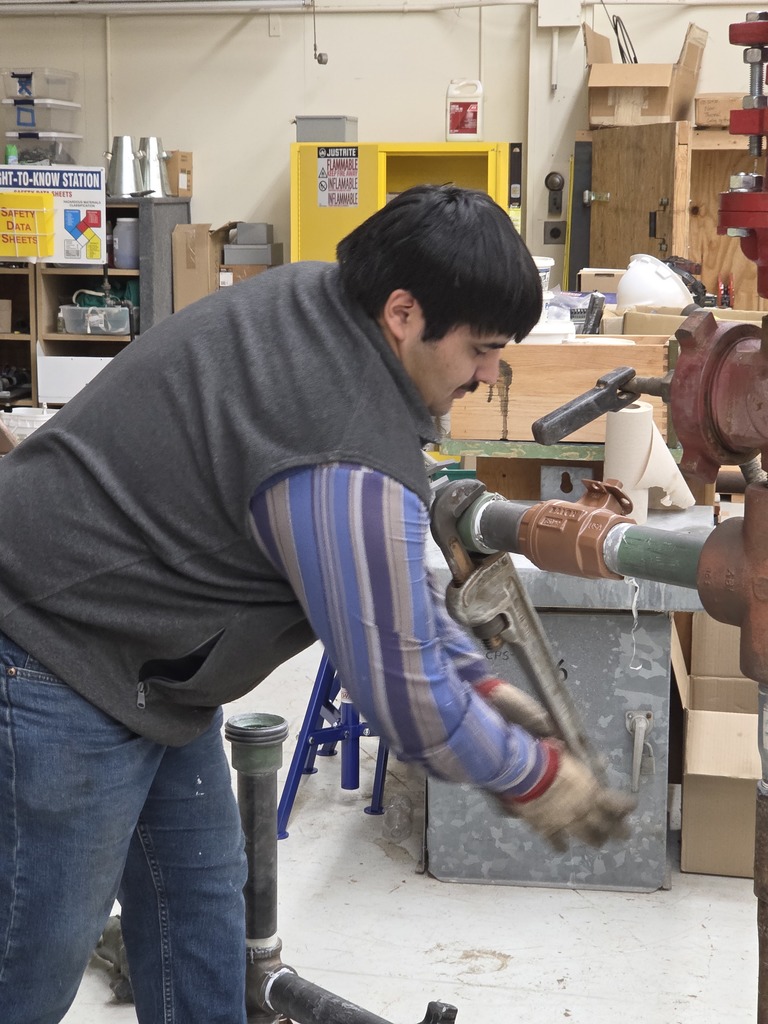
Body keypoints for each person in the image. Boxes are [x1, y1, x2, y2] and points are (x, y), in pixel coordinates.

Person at [0, 184, 634, 1024]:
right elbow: (404, 699)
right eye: (481, 350)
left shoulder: (333, 305)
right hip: (52, 651)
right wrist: (539, 777)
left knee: (203, 931)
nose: (489, 376)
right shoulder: (337, 438)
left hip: (155, 671)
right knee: (32, 959)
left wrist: (478, 685)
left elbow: (395, 582)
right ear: (404, 313)